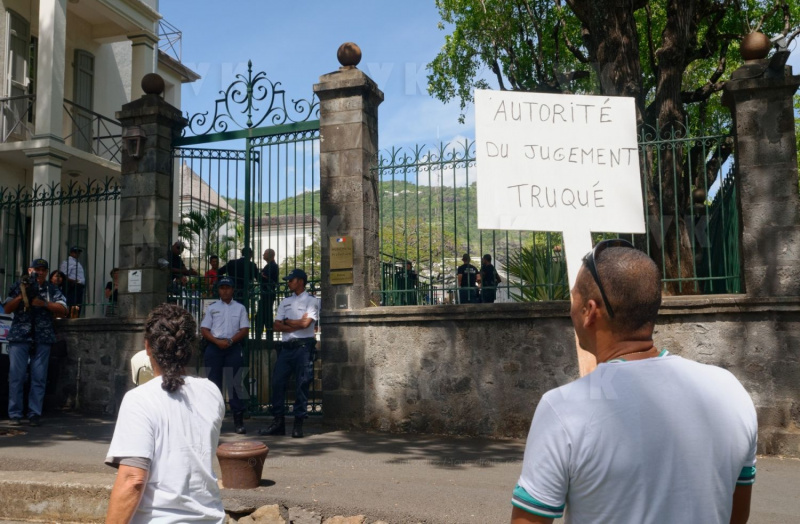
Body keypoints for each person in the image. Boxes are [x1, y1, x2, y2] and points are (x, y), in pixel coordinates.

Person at [510, 240, 757, 524]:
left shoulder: (563, 409)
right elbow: (736, 516)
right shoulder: (730, 391)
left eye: (573, 298)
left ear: (590, 311)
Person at [105, 304, 225, 523]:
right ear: (191, 347)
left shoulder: (139, 399)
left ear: (148, 347)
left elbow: (133, 479)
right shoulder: (212, 392)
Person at [4, 258, 67, 426]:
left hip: (42, 336)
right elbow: (7, 308)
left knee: (39, 377)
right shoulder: (18, 285)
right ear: (29, 270)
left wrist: (44, 303)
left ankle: (34, 413)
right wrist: (21, 296)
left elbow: (63, 309)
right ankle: (15, 414)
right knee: (16, 376)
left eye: (43, 270)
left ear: (46, 272)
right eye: (36, 269)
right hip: (20, 335)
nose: (39, 272)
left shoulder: (51, 289)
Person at [259, 268, 319, 438]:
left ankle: (298, 423)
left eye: (291, 280)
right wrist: (294, 322)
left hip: (303, 347)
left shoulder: (311, 301)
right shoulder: (284, 301)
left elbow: (306, 324)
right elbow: (276, 325)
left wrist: (287, 321)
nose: (288, 283)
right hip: (286, 348)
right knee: (277, 383)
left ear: (300, 281)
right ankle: (278, 422)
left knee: (302, 384)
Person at [199, 276, 249, 435]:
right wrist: (216, 341)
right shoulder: (212, 308)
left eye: (228, 287)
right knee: (213, 386)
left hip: (232, 347)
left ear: (233, 289)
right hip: (214, 348)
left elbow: (244, 329)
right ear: (218, 290)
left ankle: (238, 421)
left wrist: (230, 341)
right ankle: (213, 421)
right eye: (222, 287)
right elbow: (205, 329)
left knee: (234, 384)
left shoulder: (240, 308)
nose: (225, 290)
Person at [255, 248, 279, 341]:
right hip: (266, 293)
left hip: (268, 294)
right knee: (263, 316)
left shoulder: (272, 266)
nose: (263, 255)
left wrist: (259, 274)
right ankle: (263, 337)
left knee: (264, 316)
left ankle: (264, 338)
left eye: (264, 253)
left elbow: (267, 279)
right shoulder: (269, 265)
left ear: (271, 255)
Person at [59, 246, 85, 318]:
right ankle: (71, 319)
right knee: (72, 304)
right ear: (71, 253)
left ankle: (75, 318)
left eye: (78, 252)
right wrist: (73, 281)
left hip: (79, 286)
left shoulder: (76, 262)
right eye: (75, 252)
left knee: (77, 305)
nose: (77, 254)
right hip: (72, 286)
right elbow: (63, 275)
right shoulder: (68, 262)